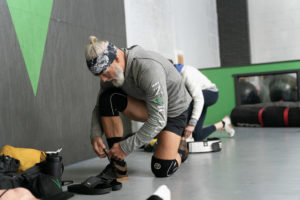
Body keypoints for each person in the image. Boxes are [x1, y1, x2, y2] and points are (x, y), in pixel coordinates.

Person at [85, 36, 192, 179]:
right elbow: (100, 105)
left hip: (173, 112)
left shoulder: (148, 69)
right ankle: (117, 165)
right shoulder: (112, 72)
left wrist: (125, 147)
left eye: (104, 73)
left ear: (117, 58)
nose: (103, 80)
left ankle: (180, 149)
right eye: (99, 76)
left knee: (162, 168)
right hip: (149, 107)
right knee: (107, 98)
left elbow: (159, 119)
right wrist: (95, 134)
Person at [174, 64, 235, 141]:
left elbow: (199, 99)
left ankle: (188, 135)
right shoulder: (174, 76)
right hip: (197, 98)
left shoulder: (186, 73)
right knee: (198, 136)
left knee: (187, 105)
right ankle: (223, 123)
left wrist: (191, 124)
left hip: (210, 94)